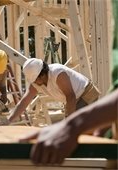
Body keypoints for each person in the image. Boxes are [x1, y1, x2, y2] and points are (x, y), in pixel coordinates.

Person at [19, 0, 118, 165]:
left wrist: (71, 125)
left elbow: (71, 98)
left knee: (83, 134)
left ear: (43, 73)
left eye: (38, 80)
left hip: (86, 93)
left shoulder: (58, 74)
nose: (38, 84)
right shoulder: (38, 80)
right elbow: (26, 99)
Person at [8, 58, 99, 123]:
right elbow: (24, 102)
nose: (34, 83)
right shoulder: (36, 83)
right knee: (71, 128)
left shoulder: (58, 73)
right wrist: (9, 120)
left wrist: (69, 123)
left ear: (42, 75)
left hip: (86, 93)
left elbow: (70, 96)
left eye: (35, 80)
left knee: (78, 127)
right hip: (74, 100)